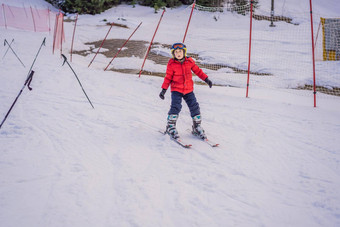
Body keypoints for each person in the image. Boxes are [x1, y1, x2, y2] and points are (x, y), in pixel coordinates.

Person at [159, 42, 213, 139]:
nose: (178, 53)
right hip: (176, 90)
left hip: (188, 90)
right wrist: (163, 90)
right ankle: (170, 126)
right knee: (176, 106)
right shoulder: (171, 64)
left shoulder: (190, 62)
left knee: (194, 106)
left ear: (184, 52)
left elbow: (198, 71)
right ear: (173, 54)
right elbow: (168, 78)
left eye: (180, 51)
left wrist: (206, 79)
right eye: (176, 52)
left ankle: (196, 127)